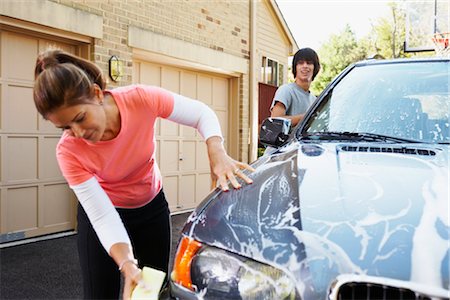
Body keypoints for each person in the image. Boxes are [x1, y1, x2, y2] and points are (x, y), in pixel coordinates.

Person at [33, 49, 254, 300]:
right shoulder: (68, 151)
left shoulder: (139, 99)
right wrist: (127, 264)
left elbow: (202, 114)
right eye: (66, 127)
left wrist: (217, 152)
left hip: (150, 209)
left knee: (151, 291)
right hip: (104, 216)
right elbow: (103, 215)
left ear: (96, 94)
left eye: (80, 118)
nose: (78, 132)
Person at [270, 47, 320, 127]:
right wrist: (307, 117)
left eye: (309, 63)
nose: (305, 66)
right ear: (295, 67)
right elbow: (275, 123)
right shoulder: (286, 90)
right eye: (300, 63)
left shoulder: (313, 99)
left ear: (315, 68)